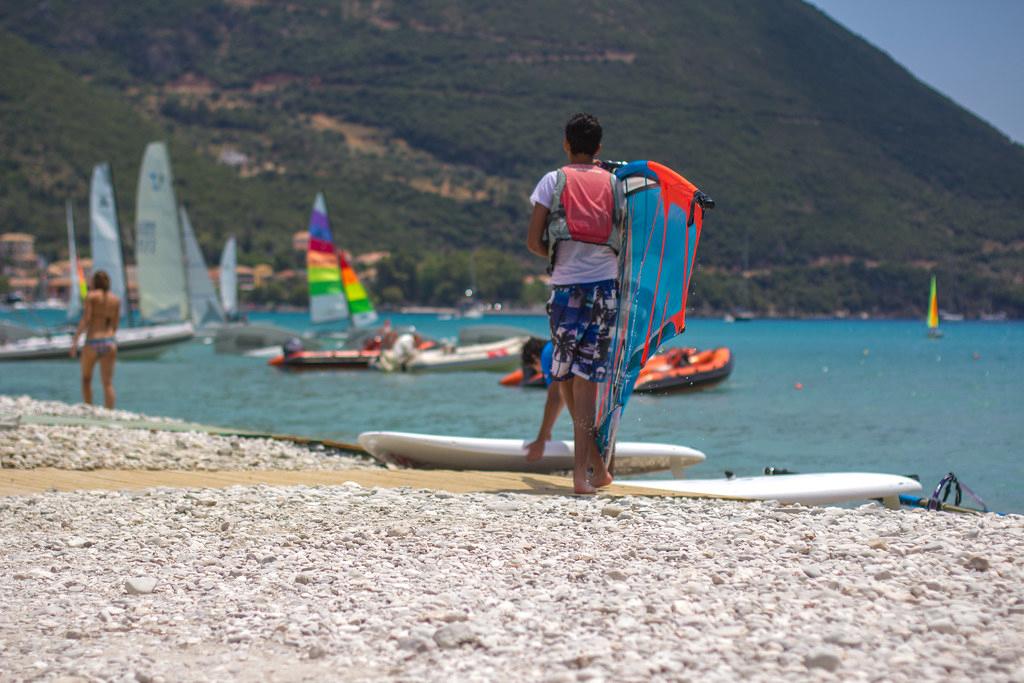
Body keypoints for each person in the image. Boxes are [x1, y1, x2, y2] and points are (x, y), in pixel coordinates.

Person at [525, 112, 625, 494]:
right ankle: (591, 470)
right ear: (599, 148)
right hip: (606, 290)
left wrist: (557, 258)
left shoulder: (553, 180)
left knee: (565, 375)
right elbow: (627, 235)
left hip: (567, 290)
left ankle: (584, 473)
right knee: (588, 380)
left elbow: (534, 240)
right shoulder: (616, 185)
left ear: (566, 143)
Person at [70, 270, 120, 408]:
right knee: (108, 383)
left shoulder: (91, 296)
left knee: (86, 379)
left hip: (93, 341)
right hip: (109, 341)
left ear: (94, 282)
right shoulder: (115, 299)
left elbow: (86, 320)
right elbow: (115, 325)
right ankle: (109, 413)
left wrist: (75, 341)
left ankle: (89, 408)